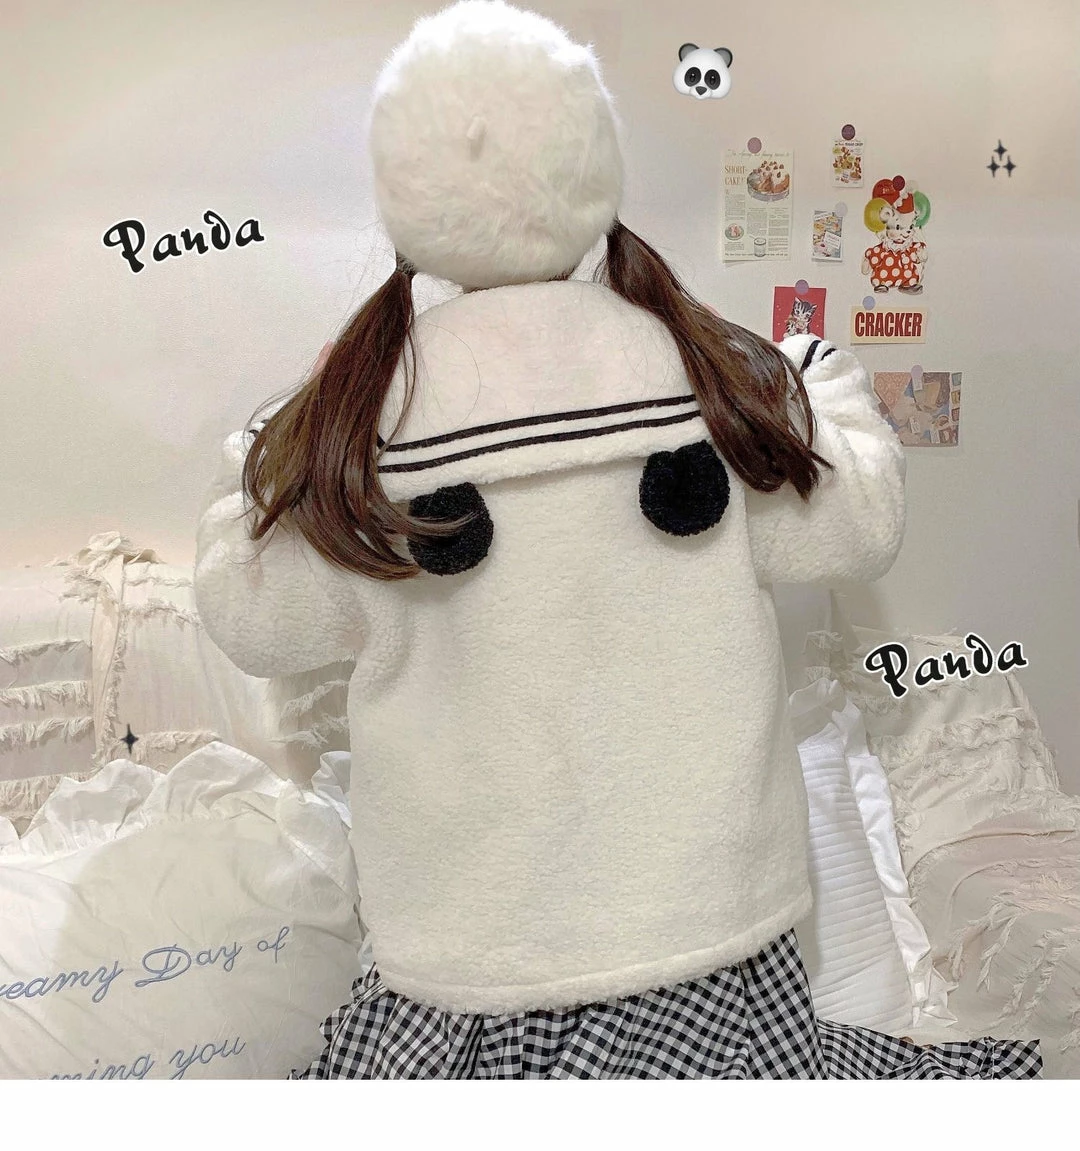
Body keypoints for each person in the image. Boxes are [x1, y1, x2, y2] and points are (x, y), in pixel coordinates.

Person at [193, 0, 1041, 1079]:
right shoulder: (707, 377)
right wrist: (829, 391)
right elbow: (857, 525)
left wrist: (255, 459)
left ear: (401, 194)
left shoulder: (365, 422)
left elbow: (254, 617)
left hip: (468, 974)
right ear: (595, 173)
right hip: (714, 954)